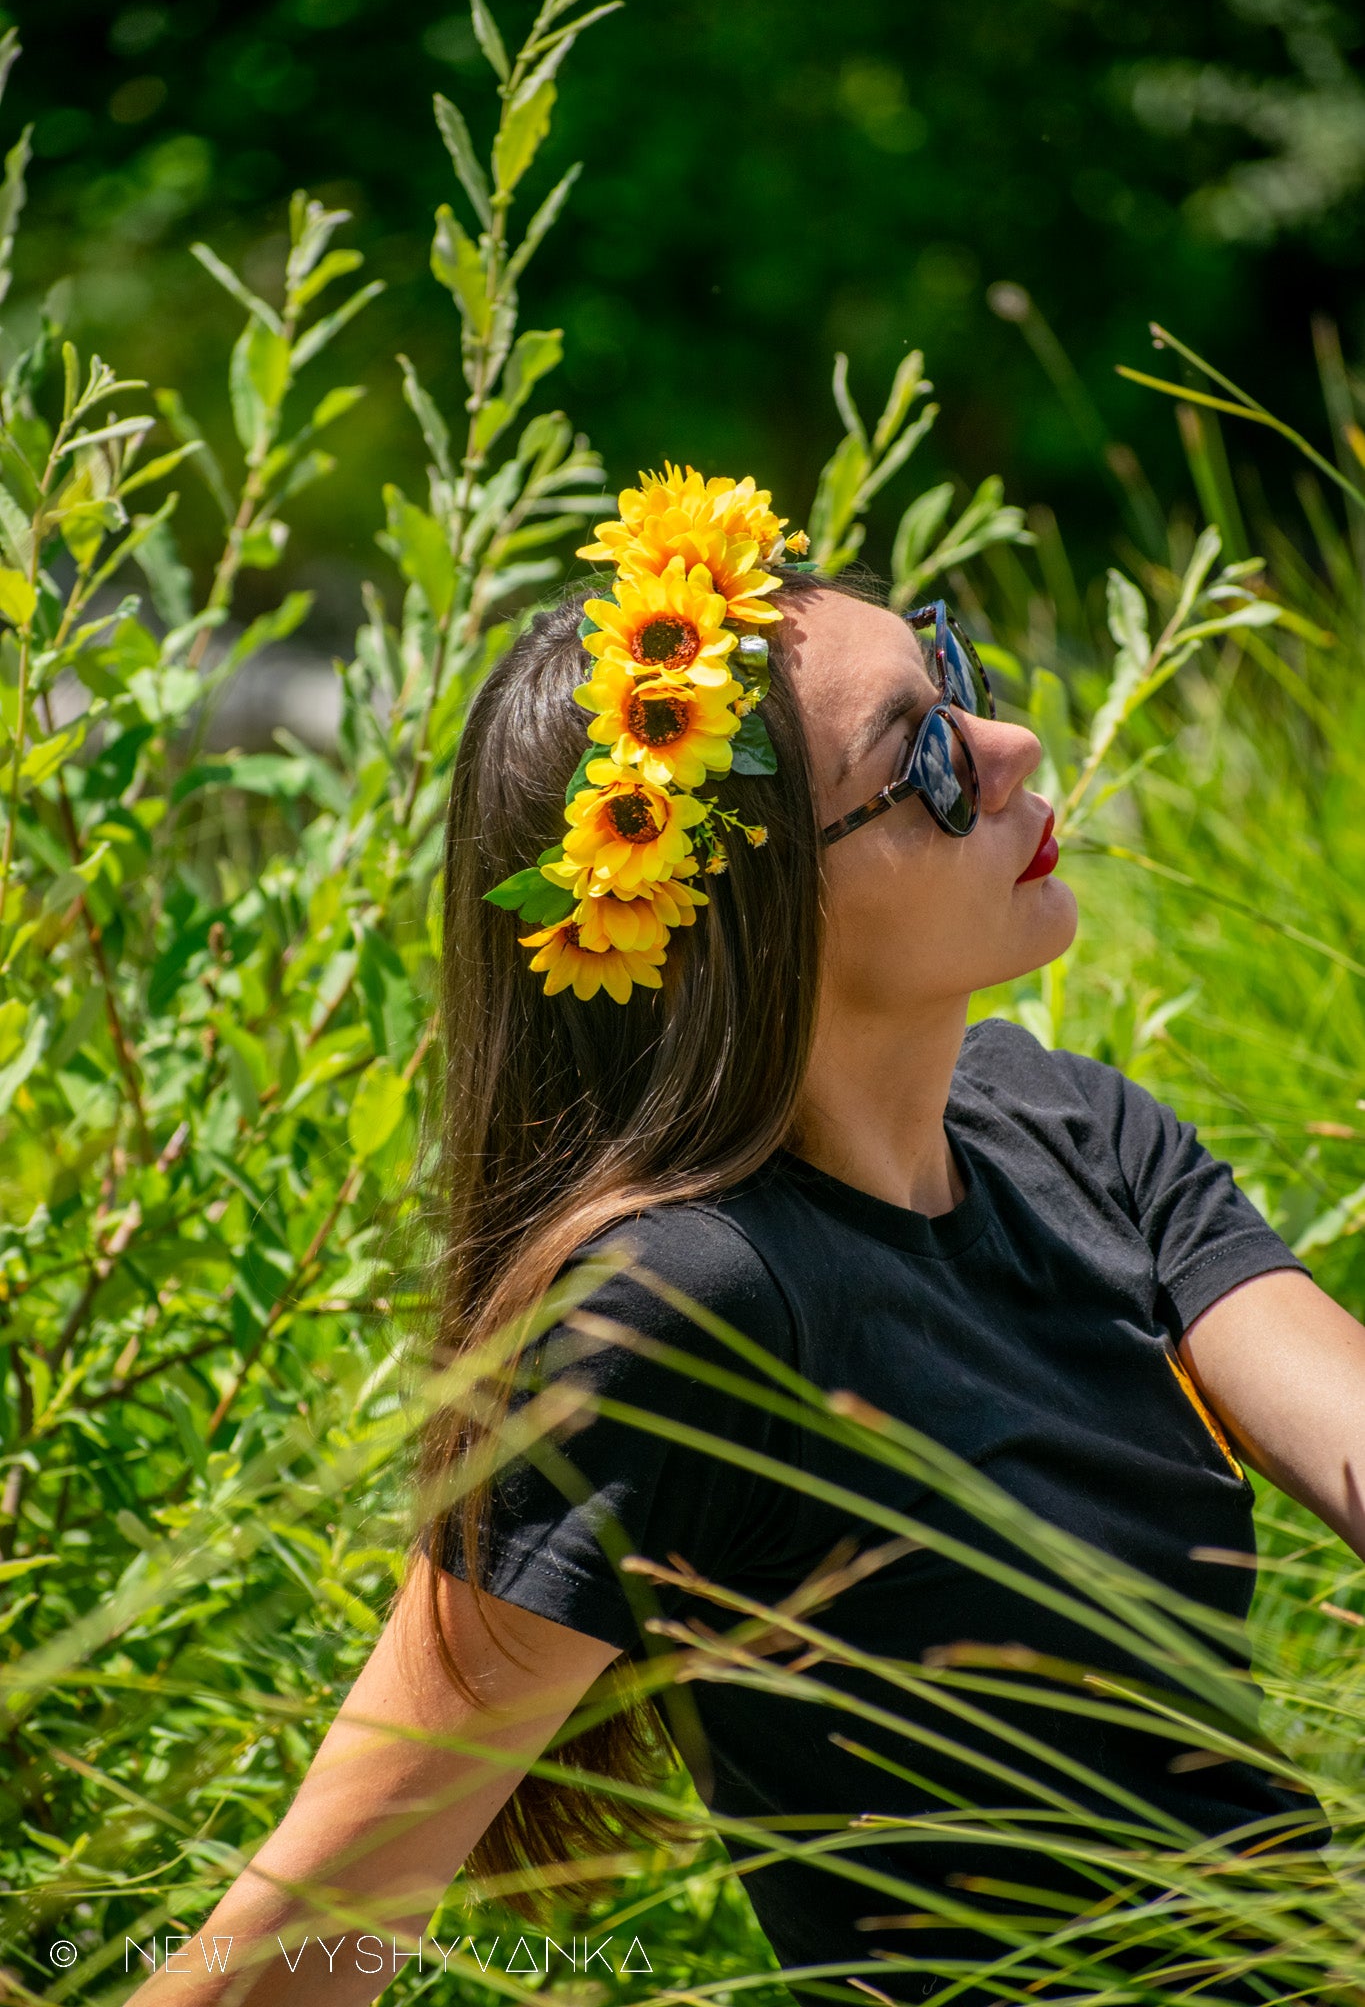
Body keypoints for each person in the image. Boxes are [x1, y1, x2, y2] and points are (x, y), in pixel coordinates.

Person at [131, 471, 1365, 2007]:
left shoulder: (1075, 1134)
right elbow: (332, 1902)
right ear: (750, 901)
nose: (1009, 748)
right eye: (921, 753)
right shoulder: (682, 1301)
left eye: (956, 678)